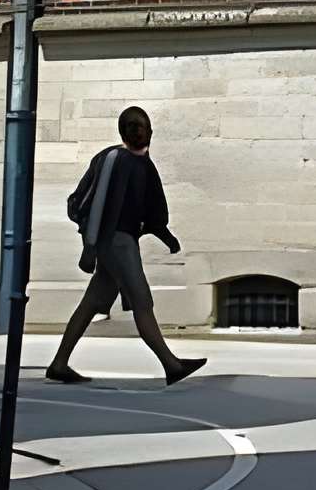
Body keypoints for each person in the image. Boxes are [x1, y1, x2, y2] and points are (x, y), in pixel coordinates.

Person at [44, 107, 205, 387]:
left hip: (122, 240)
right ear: (122, 131)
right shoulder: (113, 159)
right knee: (142, 301)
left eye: (142, 125)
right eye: (131, 125)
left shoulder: (143, 164)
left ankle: (59, 363)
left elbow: (150, 208)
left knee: (92, 303)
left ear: (151, 131)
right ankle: (171, 365)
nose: (137, 130)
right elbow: (87, 204)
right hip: (115, 241)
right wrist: (89, 245)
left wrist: (164, 235)